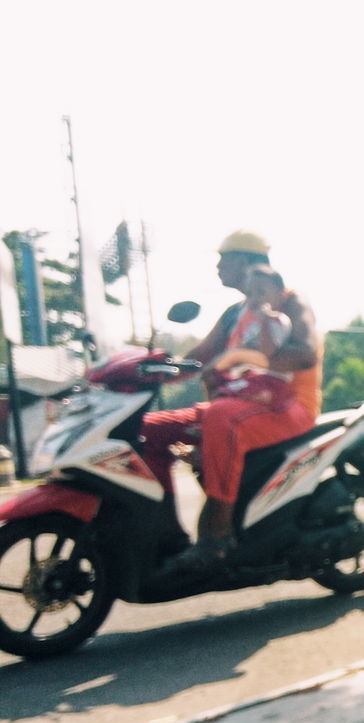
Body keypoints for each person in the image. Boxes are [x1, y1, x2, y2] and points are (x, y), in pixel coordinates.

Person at [141, 231, 323, 573]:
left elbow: (307, 354)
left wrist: (248, 358)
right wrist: (149, 369)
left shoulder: (289, 302)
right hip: (242, 402)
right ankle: (167, 534)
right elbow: (199, 357)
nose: (218, 266)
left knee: (221, 417)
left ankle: (217, 539)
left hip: (288, 406)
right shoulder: (233, 314)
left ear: (248, 261)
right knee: (150, 430)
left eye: (224, 258)